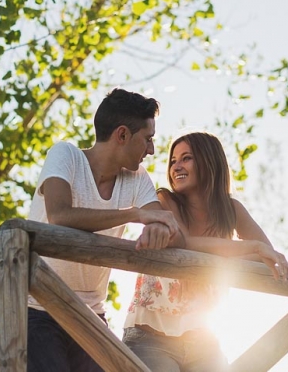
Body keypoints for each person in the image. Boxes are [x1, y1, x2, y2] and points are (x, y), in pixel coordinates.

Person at [26, 88, 181, 372]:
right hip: (38, 309)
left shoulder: (136, 178)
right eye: (148, 139)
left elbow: (166, 224)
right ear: (122, 135)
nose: (152, 150)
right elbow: (60, 215)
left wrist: (157, 228)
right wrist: (135, 214)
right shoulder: (66, 155)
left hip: (92, 316)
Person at [123, 132, 288, 372]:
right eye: (173, 161)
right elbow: (185, 243)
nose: (177, 166)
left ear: (209, 161)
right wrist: (249, 247)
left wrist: (255, 250)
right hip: (151, 336)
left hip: (204, 339)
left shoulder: (231, 209)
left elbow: (265, 255)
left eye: (186, 158)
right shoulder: (165, 200)